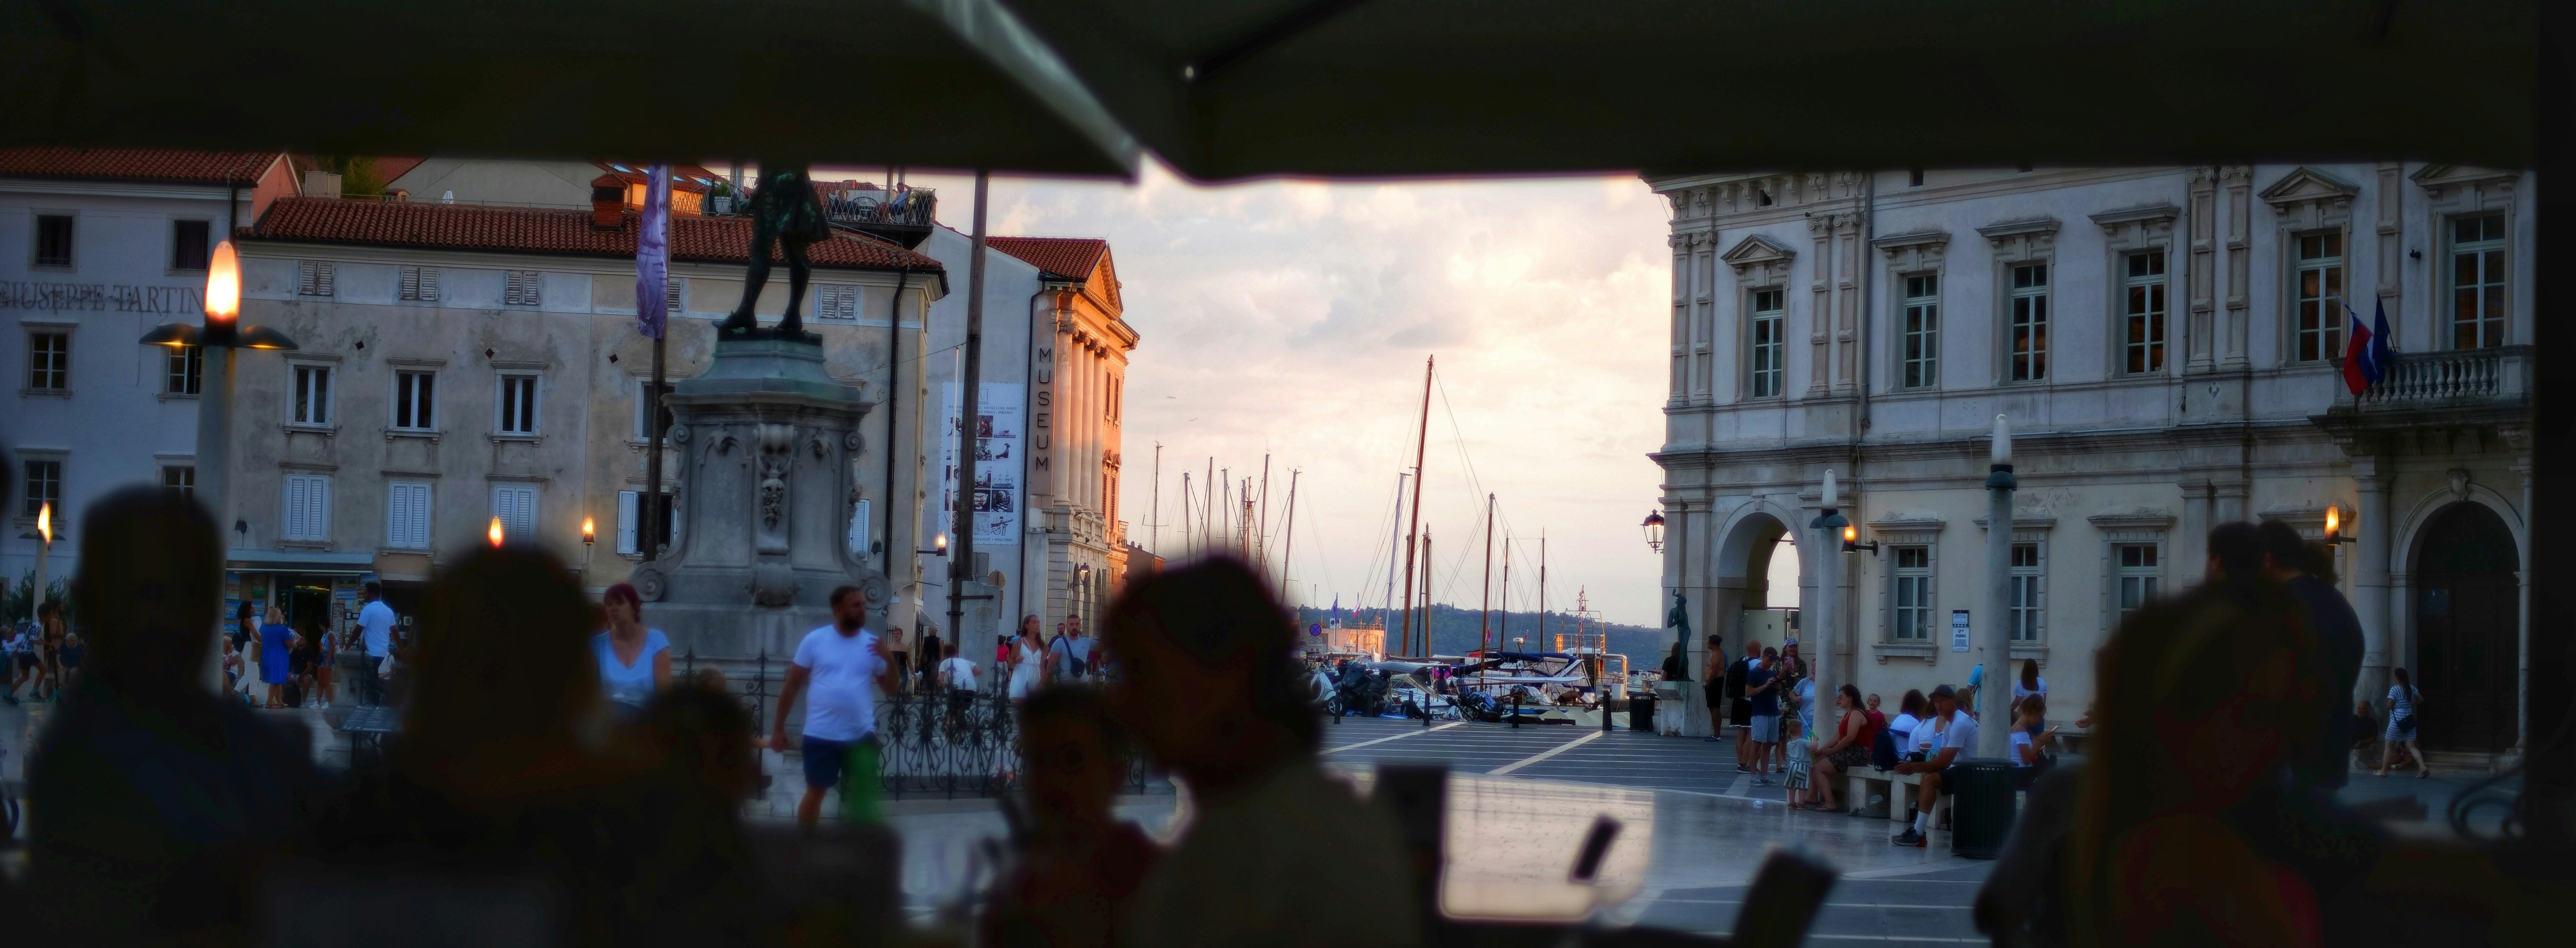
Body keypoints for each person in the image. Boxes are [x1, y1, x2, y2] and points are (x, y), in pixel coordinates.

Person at [22, 486, 319, 945]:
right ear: (94, 601)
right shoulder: (90, 761)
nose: (172, 619)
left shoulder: (206, 722)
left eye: (193, 594)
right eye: (147, 594)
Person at [1101, 558, 1420, 948]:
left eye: (1142, 672)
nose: (1121, 704)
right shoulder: (1313, 818)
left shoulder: (1250, 852)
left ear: (1228, 674)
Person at [982, 687, 1162, 948]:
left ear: (1115, 774)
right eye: (1039, 761)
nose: (1054, 781)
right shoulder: (1022, 884)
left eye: (1073, 760)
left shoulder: (1151, 884)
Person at [769, 585, 898, 829]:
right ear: (839, 610)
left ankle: (857, 849)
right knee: (816, 792)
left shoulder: (872, 645)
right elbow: (792, 686)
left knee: (863, 795)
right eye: (856, 605)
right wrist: (779, 729)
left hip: (861, 735)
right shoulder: (815, 641)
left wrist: (890, 660)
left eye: (863, 604)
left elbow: (891, 690)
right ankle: (806, 844)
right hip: (822, 734)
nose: (863, 610)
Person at [2259, 519, 2364, 791]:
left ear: (2267, 560)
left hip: (2290, 765)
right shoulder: (2336, 603)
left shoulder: (2284, 608)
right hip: (2327, 759)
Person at [1891, 683, 1979, 847]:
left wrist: (1914, 767)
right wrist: (1919, 768)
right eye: (1936, 702)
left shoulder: (1960, 723)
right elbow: (1942, 757)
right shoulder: (1950, 724)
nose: (1938, 705)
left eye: (1943, 701)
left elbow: (1945, 762)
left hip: (1975, 771)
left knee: (1930, 778)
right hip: (1966, 768)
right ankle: (1919, 831)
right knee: (1927, 775)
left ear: (1953, 701)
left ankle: (1918, 833)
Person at [593, 582, 673, 719]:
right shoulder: (598, 645)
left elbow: (665, 696)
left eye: (619, 603)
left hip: (645, 722)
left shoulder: (656, 641)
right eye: (609, 604)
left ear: (635, 606)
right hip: (608, 722)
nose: (613, 608)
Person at [1809, 684, 1874, 813]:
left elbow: (1850, 738)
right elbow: (1836, 736)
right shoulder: (1847, 714)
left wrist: (1833, 751)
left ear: (1850, 698)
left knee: (1818, 769)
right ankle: (1812, 796)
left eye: (1841, 697)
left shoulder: (1856, 713)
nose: (1838, 700)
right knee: (1815, 760)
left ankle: (1830, 803)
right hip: (1849, 750)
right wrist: (1822, 750)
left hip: (1858, 752)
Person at [2378, 666, 2429, 778]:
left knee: (2389, 746)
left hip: (2397, 722)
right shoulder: (2411, 688)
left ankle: (2384, 771)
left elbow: (2390, 705)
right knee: (2411, 746)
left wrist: (2388, 705)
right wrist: (2410, 705)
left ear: (2397, 677)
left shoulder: (2395, 690)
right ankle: (2423, 767)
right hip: (2409, 720)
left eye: (2395, 675)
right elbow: (2421, 700)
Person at [352, 581, 396, 705]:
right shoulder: (388, 611)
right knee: (375, 680)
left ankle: (379, 702)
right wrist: (402, 648)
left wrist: (347, 646)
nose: (364, 595)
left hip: (371, 653)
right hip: (383, 653)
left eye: (365, 592)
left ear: (371, 594)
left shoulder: (368, 610)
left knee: (370, 681)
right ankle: (378, 702)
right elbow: (395, 631)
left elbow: (357, 631)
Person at [1742, 646, 1780, 785]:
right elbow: (1748, 692)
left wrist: (1777, 688)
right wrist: (1765, 686)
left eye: (1773, 661)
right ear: (1763, 657)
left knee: (1769, 745)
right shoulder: (1754, 673)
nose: (1771, 663)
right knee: (1757, 743)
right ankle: (1753, 775)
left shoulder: (1772, 674)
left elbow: (1775, 695)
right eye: (1769, 659)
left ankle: (1764, 775)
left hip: (1773, 712)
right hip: (1760, 713)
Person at [256, 606, 293, 708]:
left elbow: (261, 639)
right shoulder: (282, 628)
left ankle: (279, 701)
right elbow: (288, 643)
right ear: (278, 616)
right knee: (277, 680)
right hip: (279, 656)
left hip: (267, 656)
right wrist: (296, 645)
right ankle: (269, 702)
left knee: (276, 680)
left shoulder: (263, 627)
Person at [1728, 640, 1758, 763]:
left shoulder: (1741, 661)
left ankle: (1740, 761)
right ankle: (1744, 763)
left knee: (1741, 734)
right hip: (1750, 701)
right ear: (1757, 649)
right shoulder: (1758, 664)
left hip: (1738, 700)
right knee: (1751, 733)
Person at [2008, 695, 2057, 766]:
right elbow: (2027, 760)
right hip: (2021, 773)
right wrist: (2041, 742)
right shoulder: (2021, 731)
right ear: (2034, 713)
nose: (2040, 721)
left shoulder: (2017, 728)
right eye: (2041, 717)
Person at [1010, 617, 1048, 702]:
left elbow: (1042, 667)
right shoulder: (1019, 642)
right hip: (1021, 675)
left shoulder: (1042, 644)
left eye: (1038, 622)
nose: (1038, 625)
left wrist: (1045, 685)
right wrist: (1016, 660)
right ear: (1027, 625)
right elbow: (1010, 664)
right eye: (1034, 622)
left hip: (1036, 676)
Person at [1780, 714, 1812, 808]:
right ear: (1801, 731)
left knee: (1792, 786)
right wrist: (1815, 740)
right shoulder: (1803, 742)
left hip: (1793, 766)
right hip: (1803, 766)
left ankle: (1792, 803)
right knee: (1802, 787)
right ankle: (1801, 804)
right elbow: (1814, 747)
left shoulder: (1790, 744)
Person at [2010, 658, 2047, 736]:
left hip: (2026, 718)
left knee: (2025, 738)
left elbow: (2018, 701)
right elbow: (2044, 701)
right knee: (2038, 740)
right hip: (2039, 716)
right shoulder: (2042, 683)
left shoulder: (2021, 683)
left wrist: (2010, 710)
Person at [1701, 633, 1727, 742]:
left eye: (1709, 641)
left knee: (1713, 708)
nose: (1707, 643)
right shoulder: (1718, 653)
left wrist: (1709, 684)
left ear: (1713, 643)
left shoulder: (1716, 654)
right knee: (1716, 707)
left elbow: (1715, 670)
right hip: (1717, 682)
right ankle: (1717, 733)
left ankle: (1717, 734)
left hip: (1715, 682)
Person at [917, 622, 945, 695]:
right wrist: (919, 661)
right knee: (926, 676)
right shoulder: (925, 639)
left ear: (933, 631)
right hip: (926, 660)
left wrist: (942, 662)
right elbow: (922, 651)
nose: (928, 630)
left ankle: (935, 691)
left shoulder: (939, 640)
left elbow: (941, 652)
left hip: (935, 661)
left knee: (934, 677)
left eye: (930, 629)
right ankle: (926, 691)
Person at [885, 622, 911, 696]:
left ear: (902, 635)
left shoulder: (906, 648)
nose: (896, 635)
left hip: (903, 671)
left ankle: (901, 705)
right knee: (895, 691)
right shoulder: (889, 647)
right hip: (893, 671)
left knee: (902, 689)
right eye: (895, 634)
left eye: (898, 634)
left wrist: (914, 675)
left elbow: (909, 662)